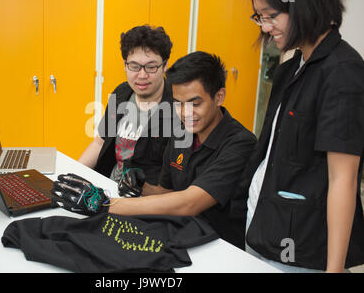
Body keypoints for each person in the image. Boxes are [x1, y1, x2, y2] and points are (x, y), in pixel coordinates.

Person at [54, 52, 257, 249]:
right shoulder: (181, 132)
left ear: (219, 96)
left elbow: (188, 203)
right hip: (177, 232)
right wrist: (139, 186)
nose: (186, 113)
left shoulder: (240, 144)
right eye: (179, 104)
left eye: (195, 104)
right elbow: (167, 191)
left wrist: (105, 204)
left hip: (218, 248)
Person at [241, 0, 364, 272]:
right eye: (259, 17)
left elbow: (343, 180)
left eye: (271, 16)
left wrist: (333, 270)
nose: (265, 28)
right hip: (261, 227)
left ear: (305, 3)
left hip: (301, 246)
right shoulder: (293, 66)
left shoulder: (342, 73)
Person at [78, 25, 174, 186]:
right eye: (135, 66)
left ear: (165, 65)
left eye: (151, 67)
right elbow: (99, 142)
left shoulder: (177, 105)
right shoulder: (122, 93)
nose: (142, 75)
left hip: (147, 197)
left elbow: (175, 178)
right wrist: (75, 175)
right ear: (125, 65)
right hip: (110, 186)